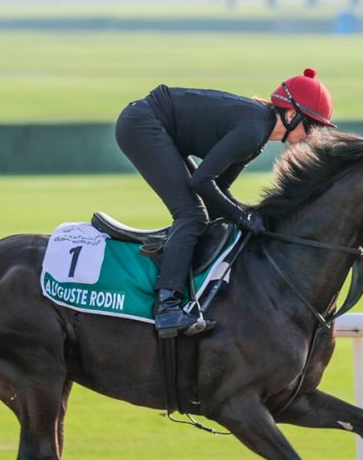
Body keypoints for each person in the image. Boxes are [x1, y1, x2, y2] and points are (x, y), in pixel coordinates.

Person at [115, 68, 336, 338]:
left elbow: (218, 189)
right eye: (312, 126)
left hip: (156, 122)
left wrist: (249, 214)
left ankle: (180, 281)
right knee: (192, 215)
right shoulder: (253, 130)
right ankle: (167, 308)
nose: (312, 135)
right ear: (291, 115)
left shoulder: (258, 135)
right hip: (142, 123)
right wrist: (242, 217)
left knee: (201, 212)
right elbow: (201, 182)